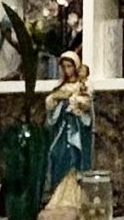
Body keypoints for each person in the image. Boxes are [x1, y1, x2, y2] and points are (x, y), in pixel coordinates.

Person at [44, 52, 93, 201]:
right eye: (64, 67)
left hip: (76, 130)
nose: (67, 70)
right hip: (62, 130)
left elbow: (87, 105)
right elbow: (50, 103)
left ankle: (76, 197)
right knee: (57, 155)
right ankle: (58, 196)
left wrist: (75, 102)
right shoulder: (60, 87)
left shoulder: (82, 86)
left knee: (75, 157)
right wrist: (56, 98)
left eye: (69, 66)